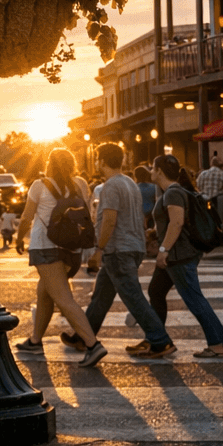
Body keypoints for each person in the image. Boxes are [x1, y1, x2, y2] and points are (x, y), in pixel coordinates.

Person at [75, 143, 175, 358]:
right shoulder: (130, 182)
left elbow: (109, 219)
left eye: (97, 159)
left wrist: (98, 249)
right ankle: (84, 336)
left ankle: (160, 340)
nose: (95, 162)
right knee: (101, 295)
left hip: (118, 249)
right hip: (132, 246)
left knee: (133, 297)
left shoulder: (111, 185)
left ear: (101, 161)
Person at [15, 149, 107, 367]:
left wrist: (19, 238)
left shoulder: (39, 185)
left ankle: (93, 345)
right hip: (72, 249)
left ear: (49, 164)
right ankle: (35, 341)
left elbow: (27, 217)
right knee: (44, 292)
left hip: (46, 247)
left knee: (64, 299)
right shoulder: (80, 184)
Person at [147, 154, 223, 358]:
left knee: (194, 299)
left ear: (159, 171)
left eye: (152, 168)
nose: (150, 171)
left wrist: (163, 250)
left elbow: (176, 223)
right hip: (176, 255)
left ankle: (218, 343)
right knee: (156, 291)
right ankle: (157, 339)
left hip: (178, 255)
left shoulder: (173, 192)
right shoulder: (172, 191)